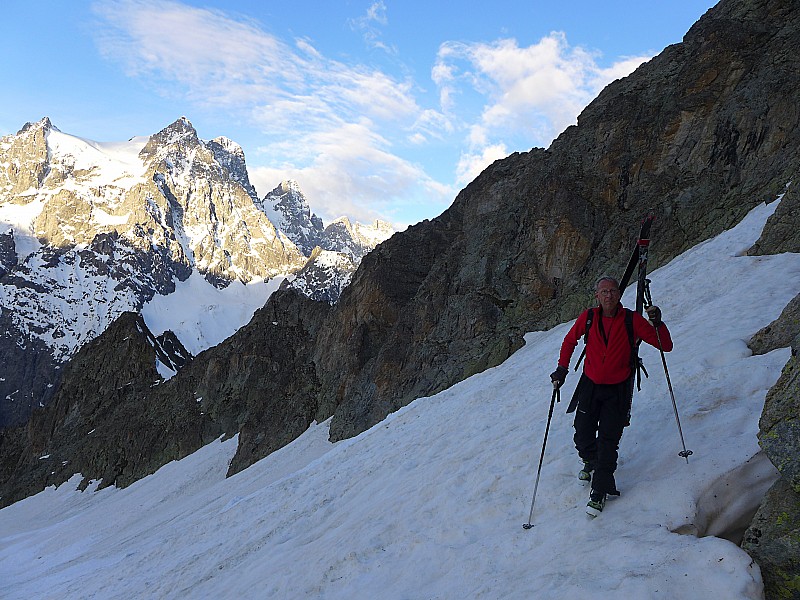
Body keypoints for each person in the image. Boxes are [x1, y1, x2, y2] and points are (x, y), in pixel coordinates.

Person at [550, 276, 672, 517]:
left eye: (613, 291)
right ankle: (590, 459)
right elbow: (570, 340)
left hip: (617, 390)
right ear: (597, 295)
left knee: (608, 440)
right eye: (604, 291)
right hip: (590, 385)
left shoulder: (631, 320)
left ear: (619, 294)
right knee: (582, 432)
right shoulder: (588, 318)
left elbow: (665, 345)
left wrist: (658, 323)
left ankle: (600, 490)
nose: (609, 295)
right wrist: (562, 369)